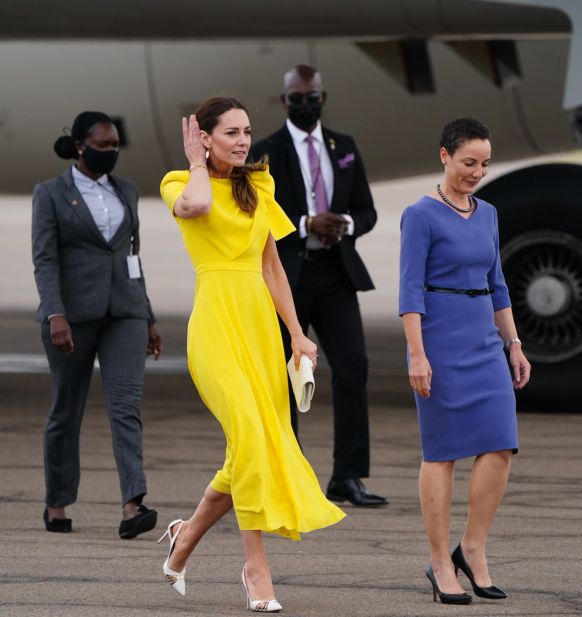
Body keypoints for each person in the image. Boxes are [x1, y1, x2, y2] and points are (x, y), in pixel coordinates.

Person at [158, 97, 344, 612]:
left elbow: (273, 270)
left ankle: (186, 536)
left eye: (246, 131)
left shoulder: (259, 185)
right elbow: (195, 208)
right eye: (231, 132)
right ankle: (255, 570)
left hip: (259, 326)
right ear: (205, 137)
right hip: (215, 327)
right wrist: (196, 164)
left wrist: (297, 334)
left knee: (250, 446)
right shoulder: (178, 181)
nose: (243, 140)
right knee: (248, 434)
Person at [398, 117, 531, 604]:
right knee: (443, 452)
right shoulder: (420, 215)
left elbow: (498, 284)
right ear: (445, 157)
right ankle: (439, 563)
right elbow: (410, 291)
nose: (477, 172)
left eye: (484, 164)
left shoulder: (489, 213)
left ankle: (472, 548)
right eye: (469, 162)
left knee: (500, 445)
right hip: (439, 336)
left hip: (482, 336)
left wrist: (513, 343)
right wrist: (417, 353)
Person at [249, 64, 387, 508]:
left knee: (353, 367)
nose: (304, 104)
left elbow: (366, 210)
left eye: (311, 97)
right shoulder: (266, 150)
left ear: (322, 98)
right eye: (296, 98)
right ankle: (291, 474)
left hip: (335, 272)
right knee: (285, 374)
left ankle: (347, 477)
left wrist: (343, 224)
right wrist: (307, 222)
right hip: (288, 275)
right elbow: (256, 215)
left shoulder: (342, 146)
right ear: (284, 100)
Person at [32, 111, 163, 539]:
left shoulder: (126, 191)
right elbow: (45, 259)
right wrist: (55, 313)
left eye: (115, 146)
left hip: (124, 312)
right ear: (80, 145)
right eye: (103, 146)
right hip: (72, 317)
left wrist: (148, 317)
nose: (111, 153)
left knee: (126, 407)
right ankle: (58, 502)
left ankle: (132, 504)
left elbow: (133, 258)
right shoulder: (51, 194)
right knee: (66, 412)